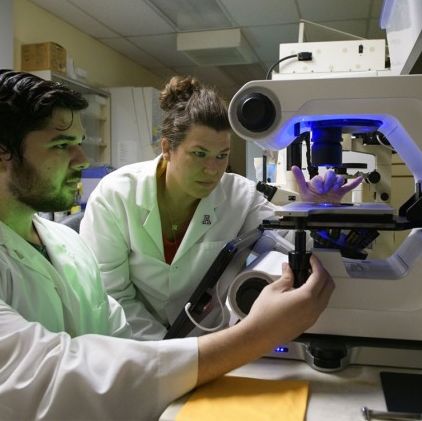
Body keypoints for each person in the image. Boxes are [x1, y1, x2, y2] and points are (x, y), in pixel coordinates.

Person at [0, 69, 335, 419]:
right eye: (63, 144)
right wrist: (254, 337)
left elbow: (113, 336)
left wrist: (314, 212)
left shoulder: (62, 240)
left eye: (78, 143)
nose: (84, 159)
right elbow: (51, 379)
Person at [80, 75, 362, 340]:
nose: (212, 169)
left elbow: (289, 244)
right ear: (167, 148)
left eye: (222, 155)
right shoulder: (115, 195)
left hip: (209, 334)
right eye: (199, 154)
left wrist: (313, 213)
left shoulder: (240, 195)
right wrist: (167, 350)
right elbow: (111, 295)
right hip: (134, 339)